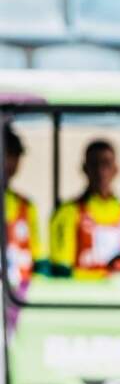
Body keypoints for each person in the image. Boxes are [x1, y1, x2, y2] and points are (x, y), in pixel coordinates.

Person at [49, 139, 120, 278]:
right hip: (84, 295)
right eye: (94, 164)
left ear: (116, 169)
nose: (100, 171)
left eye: (106, 164)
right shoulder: (67, 213)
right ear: (85, 169)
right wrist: (101, 278)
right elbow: (61, 269)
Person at [3, 122, 46, 289]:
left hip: (21, 299)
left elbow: (40, 262)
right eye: (8, 155)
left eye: (15, 156)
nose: (11, 163)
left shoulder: (26, 207)